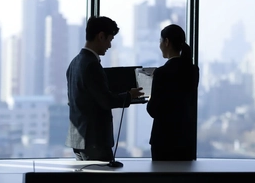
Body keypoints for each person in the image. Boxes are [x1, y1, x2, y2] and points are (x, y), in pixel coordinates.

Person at [65, 16, 144, 161]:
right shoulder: (92, 65)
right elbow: (106, 101)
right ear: (101, 36)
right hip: (95, 141)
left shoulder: (74, 63)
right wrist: (129, 95)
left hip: (78, 140)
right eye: (110, 40)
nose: (109, 45)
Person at [146, 24, 200, 161]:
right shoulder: (193, 71)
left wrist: (152, 92)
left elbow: (153, 110)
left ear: (167, 42)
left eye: (160, 41)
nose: (159, 46)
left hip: (163, 141)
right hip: (185, 139)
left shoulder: (161, 73)